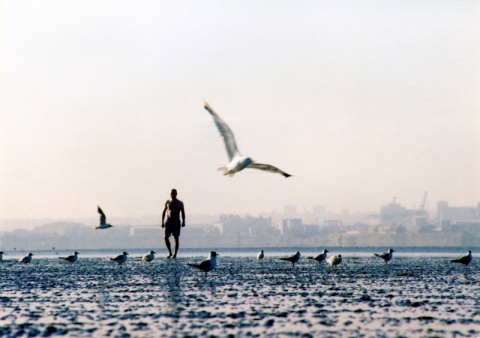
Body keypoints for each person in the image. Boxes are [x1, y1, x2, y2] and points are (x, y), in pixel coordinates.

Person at [161, 189, 185, 258]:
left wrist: (183, 221)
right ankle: (170, 252)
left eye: (174, 194)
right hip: (169, 221)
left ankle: (175, 253)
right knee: (165, 237)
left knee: (176, 238)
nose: (172, 195)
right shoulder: (168, 202)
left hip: (176, 221)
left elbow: (183, 212)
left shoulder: (180, 203)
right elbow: (164, 212)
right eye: (171, 194)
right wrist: (162, 221)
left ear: (176, 194)